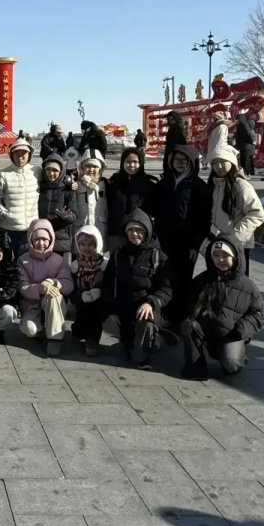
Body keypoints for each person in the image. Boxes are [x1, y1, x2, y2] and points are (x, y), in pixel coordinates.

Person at [145, 145, 211, 329]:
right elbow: (152, 206)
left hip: (187, 243)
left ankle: (179, 316)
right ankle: (163, 311)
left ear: (191, 162)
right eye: (176, 160)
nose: (180, 163)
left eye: (184, 160)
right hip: (164, 240)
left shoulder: (199, 186)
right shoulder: (165, 183)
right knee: (163, 275)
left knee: (183, 277)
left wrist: (197, 241)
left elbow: (204, 218)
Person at [181, 234, 264, 379]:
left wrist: (240, 330)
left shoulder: (248, 286)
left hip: (231, 335)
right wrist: (196, 313)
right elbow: (188, 300)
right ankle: (196, 366)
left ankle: (236, 357)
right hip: (207, 330)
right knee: (188, 324)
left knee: (231, 364)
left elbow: (257, 314)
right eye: (216, 255)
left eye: (225, 255)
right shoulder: (203, 279)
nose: (220, 259)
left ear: (235, 257)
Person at [102, 209, 174, 369]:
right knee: (127, 342)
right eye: (131, 230)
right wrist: (110, 308)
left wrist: (151, 302)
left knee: (144, 331)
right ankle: (134, 341)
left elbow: (167, 289)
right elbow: (108, 283)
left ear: (147, 231)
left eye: (139, 230)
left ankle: (144, 353)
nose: (135, 234)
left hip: (145, 308)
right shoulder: (118, 253)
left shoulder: (158, 257)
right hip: (124, 307)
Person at [18, 218, 74, 356]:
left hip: (52, 302)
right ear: (31, 240)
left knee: (55, 296)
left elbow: (68, 284)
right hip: (32, 304)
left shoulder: (59, 260)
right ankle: (42, 327)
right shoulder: (23, 260)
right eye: (37, 239)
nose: (41, 243)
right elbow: (22, 286)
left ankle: (55, 338)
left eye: (44, 239)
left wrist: (55, 283)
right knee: (29, 330)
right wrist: (39, 288)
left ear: (51, 240)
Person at [209, 146, 264, 276]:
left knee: (237, 282)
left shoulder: (240, 185)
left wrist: (234, 237)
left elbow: (257, 213)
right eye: (215, 163)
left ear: (232, 163)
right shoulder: (213, 185)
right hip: (217, 244)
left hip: (238, 245)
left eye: (223, 161)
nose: (219, 166)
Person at [0, 137, 41, 260]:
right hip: (8, 227)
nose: (20, 157)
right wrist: (4, 213)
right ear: (11, 155)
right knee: (7, 262)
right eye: (17, 154)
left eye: (24, 154)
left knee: (25, 262)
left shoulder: (37, 172)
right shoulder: (4, 174)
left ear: (29, 154)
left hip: (30, 227)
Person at [105, 148, 156, 251]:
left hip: (138, 233)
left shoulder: (148, 184)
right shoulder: (114, 182)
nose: (131, 165)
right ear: (122, 163)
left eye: (135, 162)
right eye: (128, 162)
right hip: (116, 233)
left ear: (141, 163)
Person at [69, 225, 109, 357]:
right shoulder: (75, 265)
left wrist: (99, 290)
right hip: (82, 295)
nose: (86, 248)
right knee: (82, 311)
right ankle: (78, 332)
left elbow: (109, 284)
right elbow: (72, 285)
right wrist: (80, 294)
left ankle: (92, 340)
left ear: (97, 244)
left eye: (90, 244)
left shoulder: (104, 264)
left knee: (95, 313)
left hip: (100, 299)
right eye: (83, 244)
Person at [37, 153, 76, 255]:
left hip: (61, 238)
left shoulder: (68, 190)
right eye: (48, 169)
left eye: (55, 170)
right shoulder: (40, 187)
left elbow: (74, 215)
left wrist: (66, 216)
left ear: (61, 171)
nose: (51, 173)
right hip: (42, 237)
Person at [71, 150, 108, 239]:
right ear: (82, 168)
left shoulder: (105, 184)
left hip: (99, 228)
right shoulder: (76, 184)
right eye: (87, 166)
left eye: (95, 166)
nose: (91, 169)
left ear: (100, 168)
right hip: (81, 228)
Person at [235, 111, 257, 178]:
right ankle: (246, 172)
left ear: (240, 119)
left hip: (246, 145)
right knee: (244, 159)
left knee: (245, 159)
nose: (236, 121)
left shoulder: (243, 125)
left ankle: (246, 172)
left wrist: (251, 141)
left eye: (237, 119)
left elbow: (248, 134)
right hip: (243, 145)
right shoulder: (240, 125)